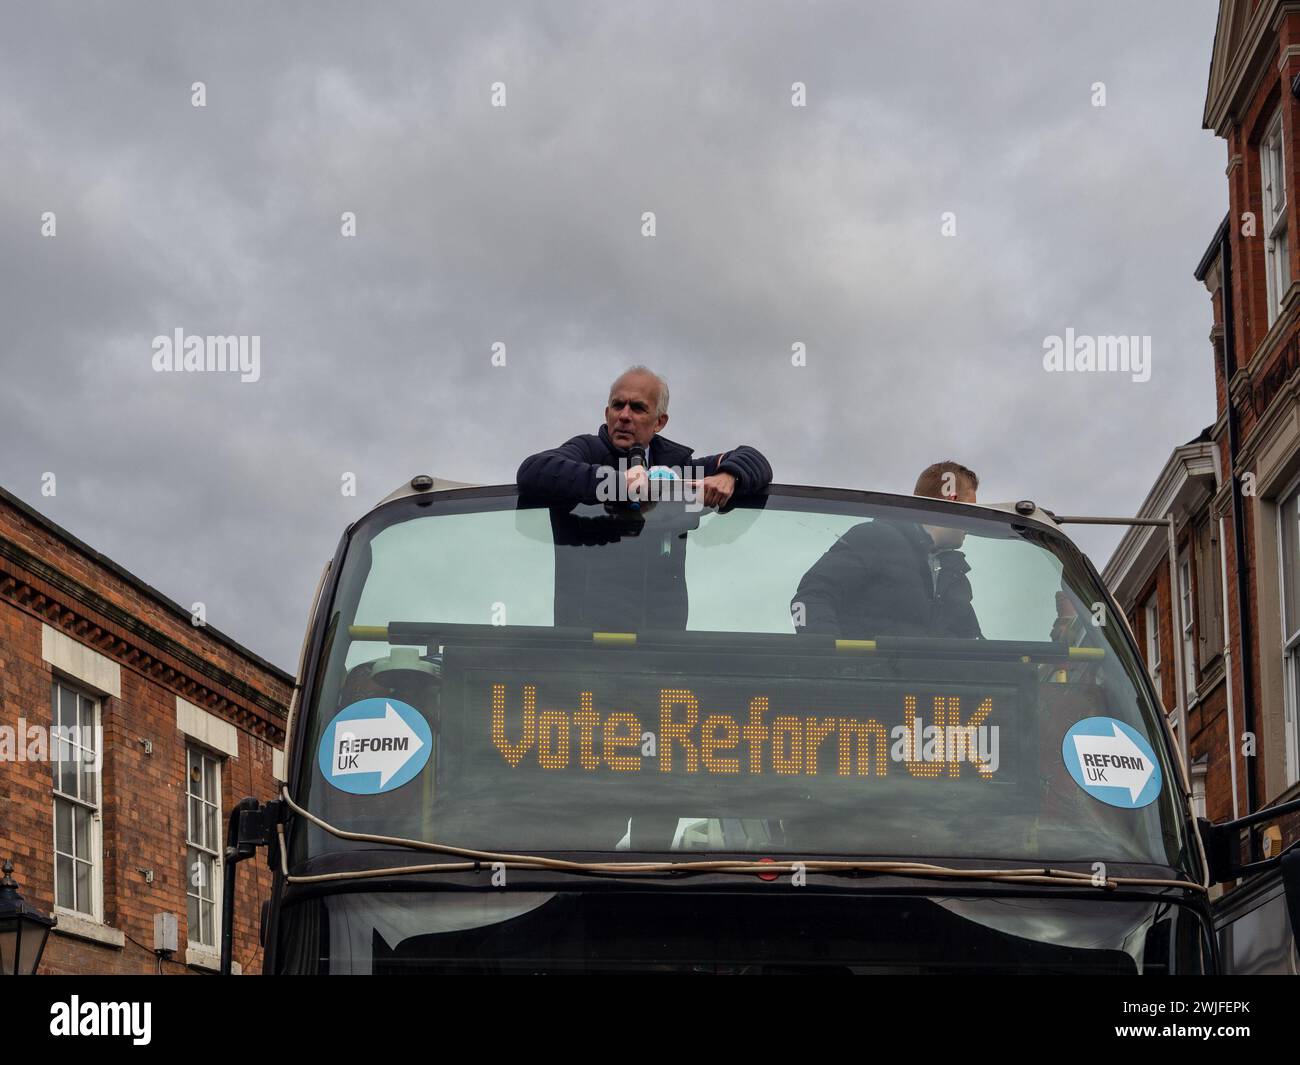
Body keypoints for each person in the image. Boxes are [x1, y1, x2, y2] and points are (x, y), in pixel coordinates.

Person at [517, 366, 773, 631]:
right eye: (618, 406)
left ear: (660, 422)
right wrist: (619, 484)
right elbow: (533, 470)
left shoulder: (677, 470)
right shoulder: (587, 451)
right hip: (586, 645)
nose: (625, 416)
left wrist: (730, 475)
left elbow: (755, 459)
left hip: (660, 648)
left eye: (638, 408)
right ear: (607, 414)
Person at [791, 461, 983, 639]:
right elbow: (810, 598)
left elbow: (973, 645)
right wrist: (831, 661)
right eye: (971, 509)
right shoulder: (872, 539)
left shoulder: (956, 578)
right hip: (866, 674)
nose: (974, 522)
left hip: (929, 677)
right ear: (951, 500)